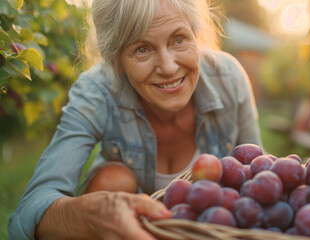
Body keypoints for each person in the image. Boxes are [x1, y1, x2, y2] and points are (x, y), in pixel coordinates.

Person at [8, 0, 262, 239]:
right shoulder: (97, 90)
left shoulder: (228, 78)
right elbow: (26, 215)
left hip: (210, 228)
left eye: (179, 39)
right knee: (112, 180)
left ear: (196, 35)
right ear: (116, 60)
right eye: (142, 49)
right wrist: (93, 215)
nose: (168, 67)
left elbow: (260, 176)